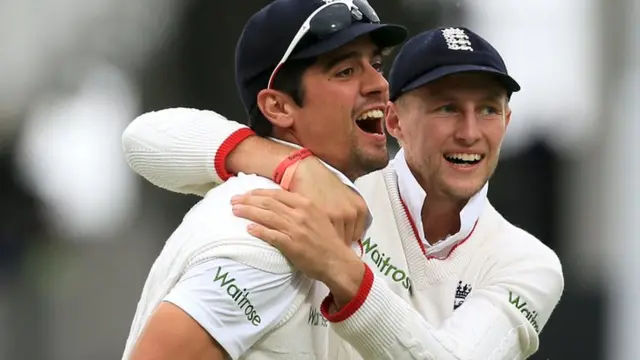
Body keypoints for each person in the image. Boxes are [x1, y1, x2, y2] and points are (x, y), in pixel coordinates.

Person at [123, 27, 565, 360]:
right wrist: (290, 163)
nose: (470, 133)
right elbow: (142, 139)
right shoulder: (329, 188)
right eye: (446, 107)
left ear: (506, 122)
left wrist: (338, 266)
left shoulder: (528, 264)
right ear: (394, 122)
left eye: (488, 109)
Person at [121, 0, 409, 359]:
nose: (380, 84)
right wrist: (294, 166)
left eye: (377, 65)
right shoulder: (265, 234)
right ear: (279, 107)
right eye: (346, 71)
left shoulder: (329, 209)